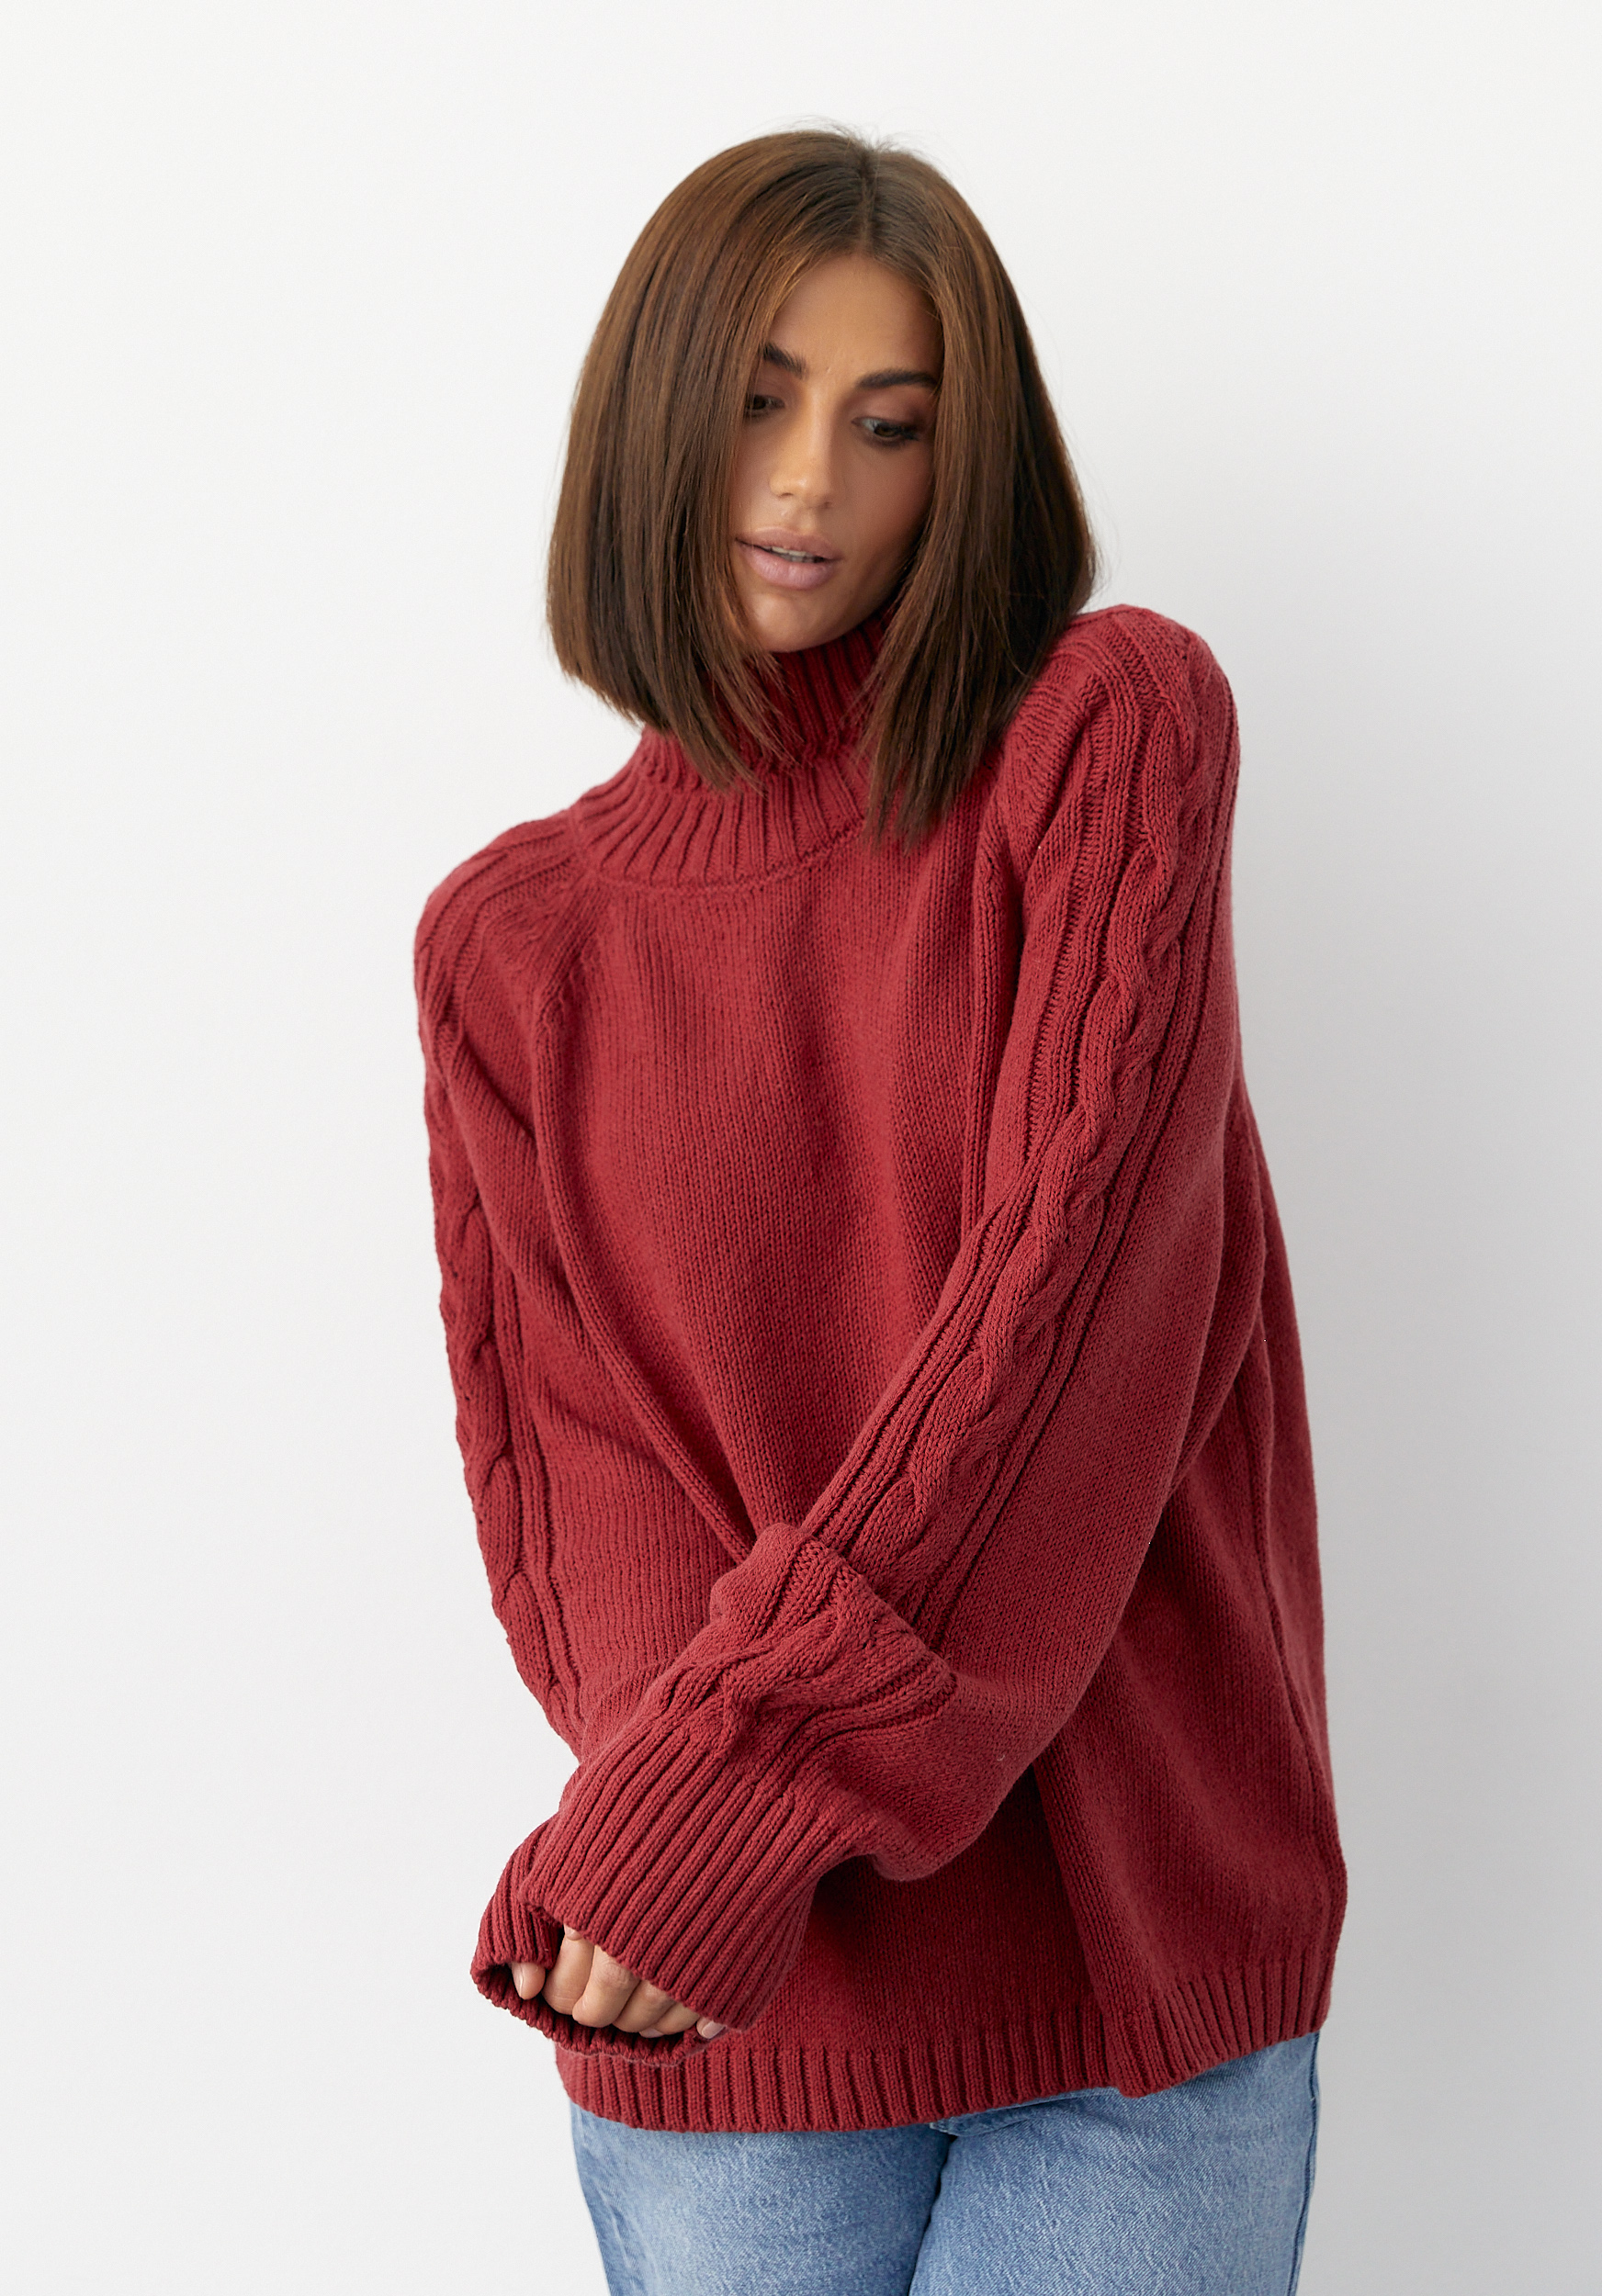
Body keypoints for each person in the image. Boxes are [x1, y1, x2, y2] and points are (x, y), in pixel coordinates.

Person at [413, 128, 1347, 2296]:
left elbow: (1059, 1333)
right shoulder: (509, 940)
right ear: (651, 412)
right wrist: (682, 1837)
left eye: (889, 420)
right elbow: (581, 1488)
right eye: (758, 397)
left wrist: (730, 1784)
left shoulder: (1103, 735)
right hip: (732, 1983)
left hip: (1124, 1959)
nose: (809, 478)